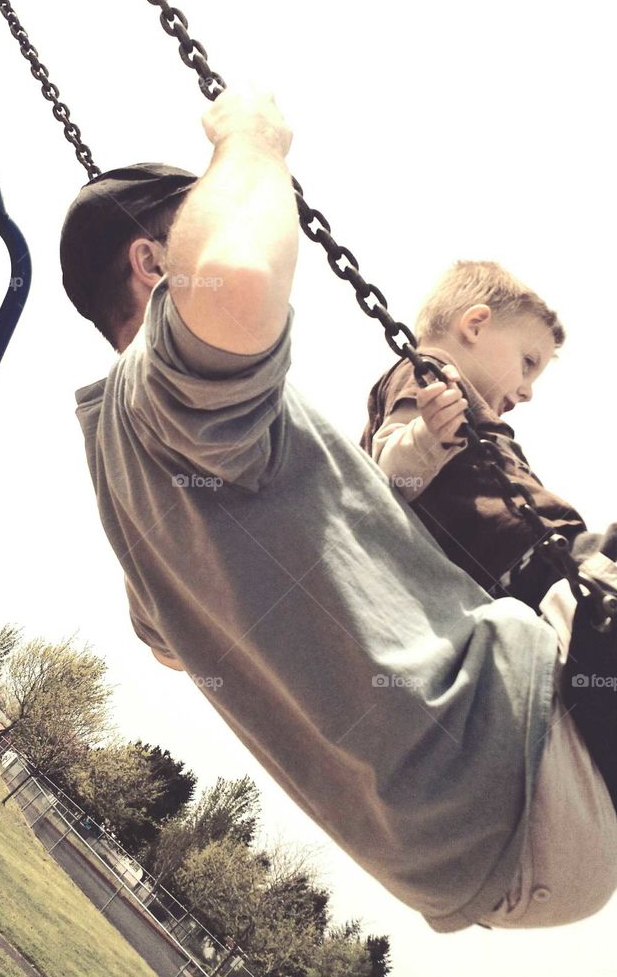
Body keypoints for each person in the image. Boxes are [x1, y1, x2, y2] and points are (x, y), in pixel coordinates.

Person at [60, 87, 617, 933]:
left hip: (477, 857)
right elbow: (239, 279)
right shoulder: (171, 393)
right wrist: (250, 143)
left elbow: (169, 641)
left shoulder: (124, 485)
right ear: (154, 265)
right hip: (520, 755)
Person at [358, 261, 587, 612]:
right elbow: (385, 478)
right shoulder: (427, 371)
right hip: (537, 558)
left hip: (539, 566)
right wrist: (427, 435)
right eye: (527, 362)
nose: (527, 392)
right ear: (475, 326)